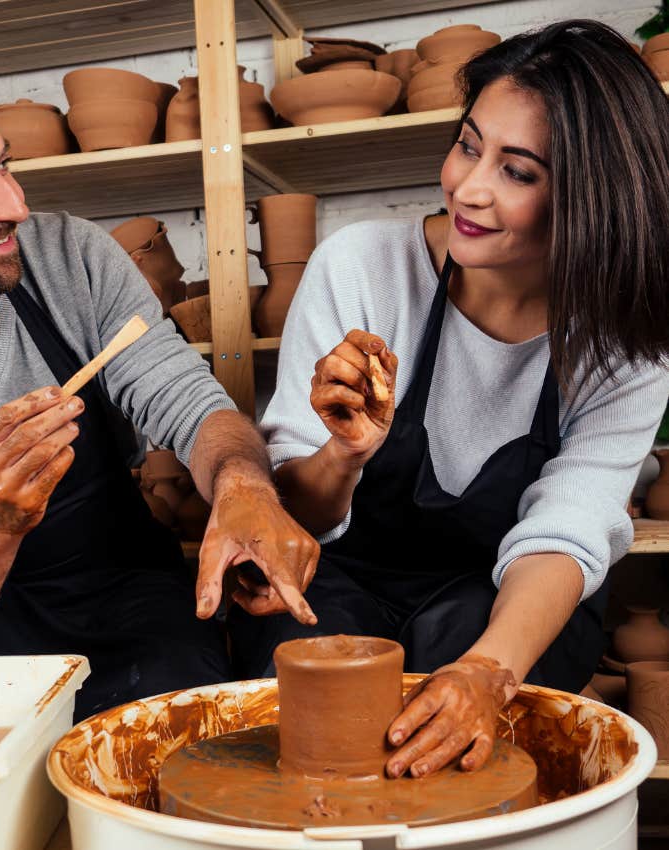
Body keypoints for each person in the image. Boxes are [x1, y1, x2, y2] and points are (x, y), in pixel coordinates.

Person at [0, 51, 319, 719]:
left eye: (4, 165)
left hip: (136, 614)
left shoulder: (71, 259)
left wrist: (244, 487)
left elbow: (196, 410)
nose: (14, 204)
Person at [230, 19, 669, 778]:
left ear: (594, 197)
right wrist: (342, 453)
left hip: (505, 596)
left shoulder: (623, 343)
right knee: (312, 668)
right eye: (469, 145)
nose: (468, 187)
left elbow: (568, 528)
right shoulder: (362, 267)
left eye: (518, 171)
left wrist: (487, 674)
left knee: (463, 670)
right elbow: (292, 522)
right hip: (348, 574)